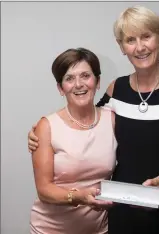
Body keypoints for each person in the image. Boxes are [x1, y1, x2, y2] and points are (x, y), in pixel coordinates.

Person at [28, 5, 159, 234]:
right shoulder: (117, 89)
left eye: (147, 36)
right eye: (130, 40)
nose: (140, 47)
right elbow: (86, 121)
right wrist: (38, 133)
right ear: (122, 47)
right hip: (122, 209)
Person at [29, 47, 117, 234]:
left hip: (99, 229)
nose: (79, 84)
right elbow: (44, 190)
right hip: (51, 229)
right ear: (61, 88)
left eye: (85, 75)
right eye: (69, 78)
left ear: (97, 81)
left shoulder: (113, 120)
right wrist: (79, 197)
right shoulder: (47, 126)